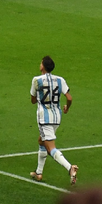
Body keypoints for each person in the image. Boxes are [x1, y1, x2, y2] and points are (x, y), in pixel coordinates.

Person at [29, 56, 78, 186]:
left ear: (42, 66)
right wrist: (67, 107)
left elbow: (33, 100)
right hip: (57, 117)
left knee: (50, 148)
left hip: (44, 118)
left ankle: (70, 168)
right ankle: (39, 173)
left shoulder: (37, 80)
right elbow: (69, 98)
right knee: (41, 141)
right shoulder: (60, 80)